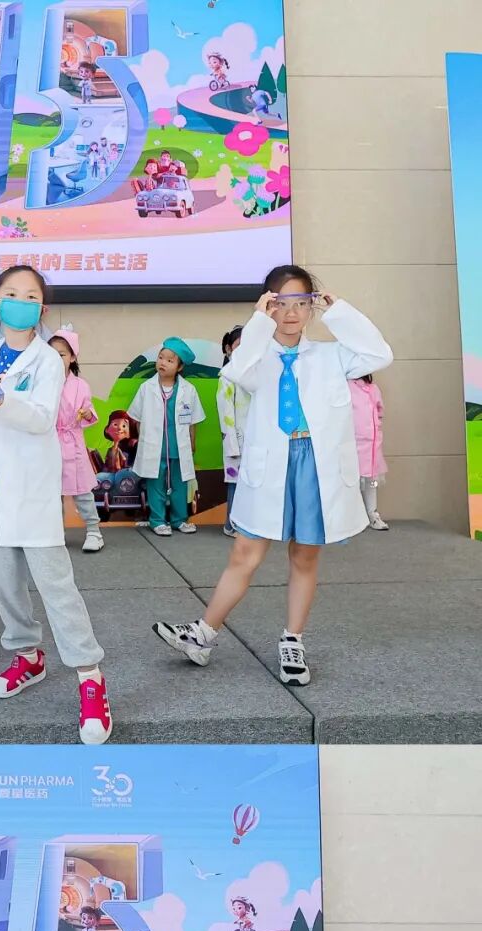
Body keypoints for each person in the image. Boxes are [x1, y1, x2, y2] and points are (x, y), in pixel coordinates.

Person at [152, 264, 393, 687]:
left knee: (305, 556)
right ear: (268, 306)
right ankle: (204, 634)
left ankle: (293, 641)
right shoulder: (256, 356)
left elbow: (379, 355)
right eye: (281, 303)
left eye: (302, 303)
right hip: (271, 465)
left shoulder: (332, 355)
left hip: (316, 465)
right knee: (245, 553)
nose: (292, 312)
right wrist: (259, 323)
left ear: (312, 308)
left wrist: (339, 311)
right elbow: (236, 371)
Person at [0, 265, 111, 744]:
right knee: (1, 579)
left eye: (31, 296)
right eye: (11, 294)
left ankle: (90, 677)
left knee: (55, 584)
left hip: (29, 488)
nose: (21, 302)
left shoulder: (48, 360)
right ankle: (28, 656)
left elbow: (42, 418)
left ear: (42, 308)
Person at [129, 339, 204, 538]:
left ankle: (179, 520)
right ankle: (158, 521)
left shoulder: (189, 390)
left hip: (179, 448)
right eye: (161, 357)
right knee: (156, 485)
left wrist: (192, 442)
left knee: (180, 484)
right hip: (155, 448)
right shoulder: (146, 388)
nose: (163, 362)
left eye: (170, 360)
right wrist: (144, 441)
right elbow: (137, 419)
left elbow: (193, 421)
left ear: (179, 367)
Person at [49, 326, 103, 553]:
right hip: (49, 443)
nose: (56, 359)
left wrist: (87, 414)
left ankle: (94, 531)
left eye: (61, 354)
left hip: (73, 443)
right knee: (52, 493)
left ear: (72, 357)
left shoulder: (81, 385)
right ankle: (55, 533)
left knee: (82, 491)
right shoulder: (41, 382)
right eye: (51, 354)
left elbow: (89, 411)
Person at [217, 326, 248, 538]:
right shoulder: (227, 377)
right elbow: (225, 414)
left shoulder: (257, 374)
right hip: (237, 440)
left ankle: (248, 525)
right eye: (239, 345)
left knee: (252, 484)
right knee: (236, 484)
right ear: (229, 349)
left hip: (256, 441)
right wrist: (232, 445)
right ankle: (231, 524)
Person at [350, 373, 389, 530]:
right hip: (353, 441)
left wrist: (376, 425)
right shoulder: (346, 386)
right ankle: (352, 518)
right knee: (352, 479)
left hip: (372, 443)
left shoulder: (373, 389)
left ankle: (372, 514)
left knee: (371, 480)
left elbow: (380, 410)